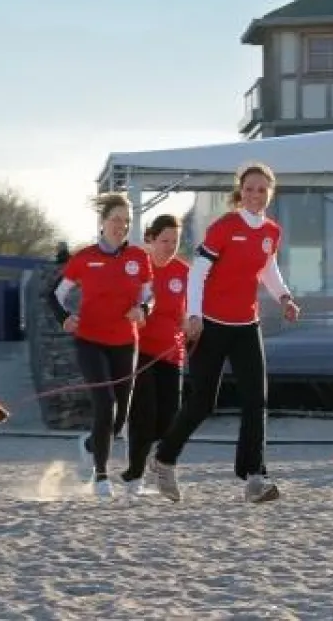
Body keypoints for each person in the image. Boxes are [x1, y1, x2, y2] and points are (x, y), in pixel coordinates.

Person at [149, 162, 300, 504]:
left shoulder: (271, 232)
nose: (255, 195)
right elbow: (198, 274)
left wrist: (285, 298)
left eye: (262, 190)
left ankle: (255, 477)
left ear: (270, 194)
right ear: (240, 191)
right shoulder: (223, 227)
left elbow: (267, 268)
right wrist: (194, 315)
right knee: (202, 402)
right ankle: (163, 459)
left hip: (247, 325)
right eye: (249, 189)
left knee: (255, 402)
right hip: (211, 324)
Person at [47, 192, 153, 500]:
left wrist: (143, 310)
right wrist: (64, 318)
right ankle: (101, 476)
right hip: (91, 342)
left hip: (125, 342)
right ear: (103, 222)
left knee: (120, 419)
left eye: (126, 221)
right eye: (115, 219)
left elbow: (149, 295)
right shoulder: (84, 257)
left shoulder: (138, 257)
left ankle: (91, 445)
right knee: (105, 404)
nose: (120, 226)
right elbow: (55, 294)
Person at [119, 213, 189, 498]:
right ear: (150, 239)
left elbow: (184, 312)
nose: (169, 246)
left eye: (175, 241)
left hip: (171, 353)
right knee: (143, 416)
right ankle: (134, 478)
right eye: (164, 240)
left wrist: (191, 325)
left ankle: (94, 444)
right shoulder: (137, 267)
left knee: (169, 419)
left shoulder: (183, 272)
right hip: (139, 351)